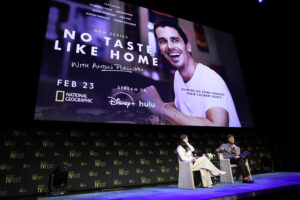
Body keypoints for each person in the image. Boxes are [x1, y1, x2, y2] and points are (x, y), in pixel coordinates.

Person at [139, 20, 241, 127]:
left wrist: (161, 108)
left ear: (188, 47)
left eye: (175, 40)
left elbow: (219, 125)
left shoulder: (209, 78)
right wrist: (145, 102)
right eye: (163, 41)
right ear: (160, 50)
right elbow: (183, 106)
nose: (169, 46)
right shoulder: (178, 75)